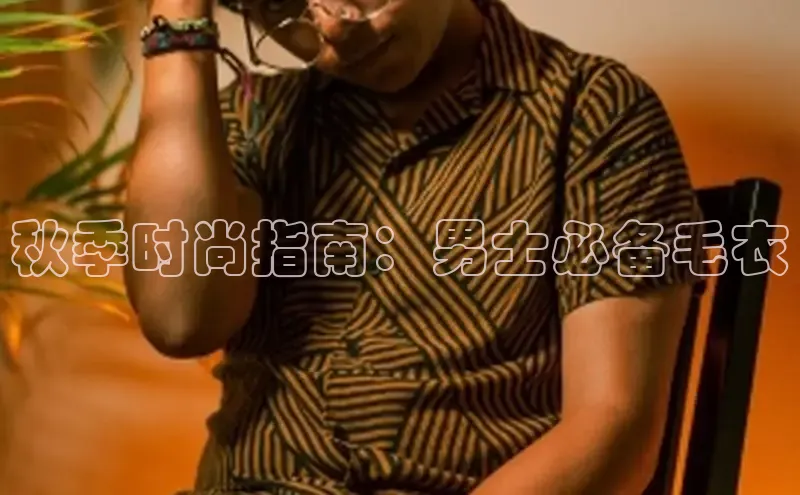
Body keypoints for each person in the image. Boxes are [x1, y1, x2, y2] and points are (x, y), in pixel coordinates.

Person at [124, 0, 706, 493]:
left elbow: (613, 429)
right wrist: (178, 29)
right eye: (282, 7)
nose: (334, 27)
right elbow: (180, 319)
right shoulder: (255, 118)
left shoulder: (593, 111)